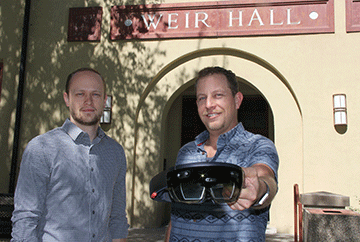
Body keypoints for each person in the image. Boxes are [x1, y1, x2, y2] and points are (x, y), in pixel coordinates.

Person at [11, 68, 129, 242]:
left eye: (95, 95)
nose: (88, 101)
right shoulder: (41, 149)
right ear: (67, 99)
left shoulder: (116, 152)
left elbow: (117, 218)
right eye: (80, 94)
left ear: (105, 101)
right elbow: (25, 219)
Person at [165, 66, 279, 242]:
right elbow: (176, 215)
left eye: (218, 95)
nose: (209, 104)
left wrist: (259, 190)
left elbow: (265, 177)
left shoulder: (258, 145)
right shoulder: (186, 152)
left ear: (237, 100)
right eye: (202, 98)